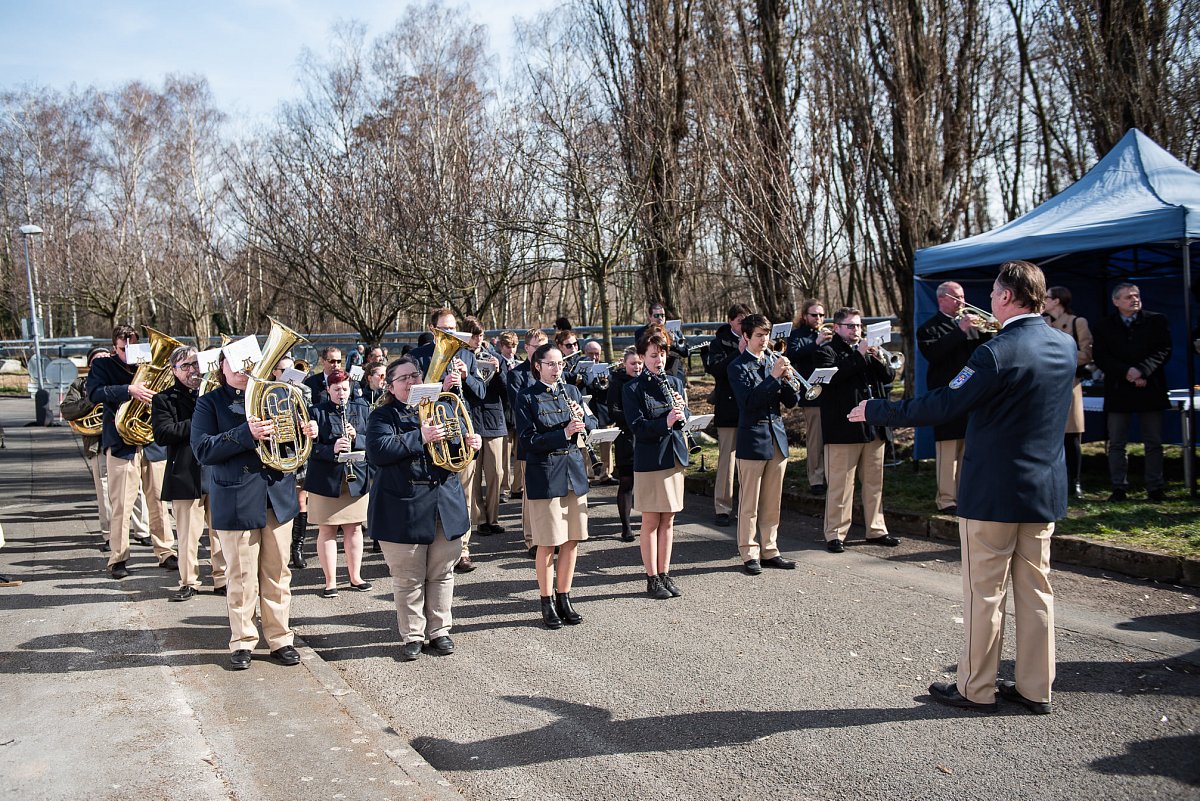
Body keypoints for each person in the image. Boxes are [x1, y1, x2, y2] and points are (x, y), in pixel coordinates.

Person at [849, 259, 1075, 714]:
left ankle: (976, 687)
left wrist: (878, 410)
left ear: (1008, 297)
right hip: (1042, 490)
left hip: (993, 491)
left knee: (984, 593)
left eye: (993, 293)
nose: (988, 300)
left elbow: (945, 402)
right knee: (1036, 592)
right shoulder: (1064, 346)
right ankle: (1036, 687)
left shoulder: (995, 352)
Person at [191, 347, 318, 670]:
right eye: (235, 364)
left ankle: (280, 639)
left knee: (278, 574)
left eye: (249, 364)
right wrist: (244, 434)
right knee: (242, 576)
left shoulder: (279, 396)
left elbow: (291, 446)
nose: (243, 370)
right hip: (236, 498)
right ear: (222, 366)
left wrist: (307, 432)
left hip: (276, 495)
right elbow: (203, 450)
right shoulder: (210, 402)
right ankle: (243, 640)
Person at [365, 357, 481, 661]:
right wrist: (420, 436)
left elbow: (456, 450)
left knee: (442, 573)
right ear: (391, 386)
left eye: (415, 375)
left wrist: (470, 442)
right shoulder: (382, 415)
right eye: (403, 378)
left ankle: (440, 631)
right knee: (408, 577)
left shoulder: (445, 406)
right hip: (404, 506)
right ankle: (413, 634)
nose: (411, 381)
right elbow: (378, 453)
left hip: (444, 502)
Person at [515, 342, 597, 628]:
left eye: (560, 364)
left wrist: (583, 419)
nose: (556, 369)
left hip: (573, 470)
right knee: (548, 542)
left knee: (572, 539)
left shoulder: (572, 391)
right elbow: (527, 441)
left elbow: (593, 420)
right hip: (546, 473)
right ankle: (546, 600)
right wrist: (562, 432)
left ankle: (565, 596)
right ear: (538, 365)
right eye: (551, 364)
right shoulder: (526, 396)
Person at [86, 324, 177, 579]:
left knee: (159, 501)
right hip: (122, 443)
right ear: (115, 346)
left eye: (134, 347)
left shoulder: (150, 365)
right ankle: (118, 558)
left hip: (153, 444)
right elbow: (94, 393)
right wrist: (128, 390)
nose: (129, 353)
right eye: (123, 348)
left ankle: (166, 551)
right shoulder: (104, 366)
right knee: (121, 504)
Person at [814, 308, 899, 553]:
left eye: (859, 326)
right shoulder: (826, 352)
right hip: (843, 429)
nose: (856, 331)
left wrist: (878, 358)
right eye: (850, 326)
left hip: (873, 427)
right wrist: (860, 356)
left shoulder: (868, 350)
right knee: (841, 485)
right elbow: (833, 380)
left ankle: (876, 529)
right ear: (837, 327)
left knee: (874, 483)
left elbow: (888, 376)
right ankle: (835, 534)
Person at [410, 308, 489, 571]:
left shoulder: (466, 353)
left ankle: (462, 550)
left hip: (462, 431)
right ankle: (428, 545)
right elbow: (411, 397)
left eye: (454, 328)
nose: (451, 333)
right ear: (433, 330)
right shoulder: (417, 357)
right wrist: (441, 387)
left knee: (464, 494)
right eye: (445, 329)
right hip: (433, 430)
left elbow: (481, 394)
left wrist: (467, 378)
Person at [152, 345, 226, 601]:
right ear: (174, 371)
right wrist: (199, 418)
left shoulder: (214, 395)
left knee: (220, 532)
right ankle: (189, 581)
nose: (192, 370)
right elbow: (163, 434)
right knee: (187, 535)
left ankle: (222, 579)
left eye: (195, 364)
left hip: (215, 471)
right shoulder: (164, 399)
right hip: (185, 473)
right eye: (185, 366)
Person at [728, 314, 798, 575]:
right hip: (752, 439)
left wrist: (788, 378)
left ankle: (770, 549)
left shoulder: (772, 361)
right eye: (758, 335)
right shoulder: (737, 367)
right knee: (750, 503)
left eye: (766, 335)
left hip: (777, 439)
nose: (764, 340)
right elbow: (749, 402)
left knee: (772, 501)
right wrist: (773, 377)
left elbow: (791, 401)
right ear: (745, 337)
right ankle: (749, 552)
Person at [1091, 283, 1173, 502]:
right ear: (1116, 301)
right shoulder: (1103, 326)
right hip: (1119, 389)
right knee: (1117, 442)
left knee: (1153, 441)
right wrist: (1127, 372)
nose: (1134, 299)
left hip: (1149, 387)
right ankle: (1119, 487)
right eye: (1128, 297)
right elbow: (1101, 356)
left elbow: (1163, 350)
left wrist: (1142, 371)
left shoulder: (1156, 320)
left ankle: (1155, 487)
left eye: (1136, 296)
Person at [917, 282, 991, 515]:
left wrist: (987, 330)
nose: (962, 301)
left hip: (972, 393)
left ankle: (965, 495)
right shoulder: (928, 328)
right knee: (948, 448)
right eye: (956, 297)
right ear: (942, 299)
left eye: (962, 296)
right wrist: (959, 330)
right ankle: (946, 499)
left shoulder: (971, 324)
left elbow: (984, 350)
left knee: (968, 447)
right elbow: (935, 354)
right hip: (946, 394)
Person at [624, 329, 689, 599]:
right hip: (651, 460)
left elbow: (684, 419)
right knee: (651, 520)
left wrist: (683, 413)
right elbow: (637, 427)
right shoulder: (633, 388)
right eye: (652, 355)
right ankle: (651, 578)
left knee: (669, 519)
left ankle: (665, 573)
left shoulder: (674, 382)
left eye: (662, 354)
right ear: (642, 356)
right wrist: (666, 422)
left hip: (673, 455)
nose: (658, 360)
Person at [305, 368, 372, 597]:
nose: (341, 394)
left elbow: (374, 441)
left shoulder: (362, 409)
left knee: (354, 528)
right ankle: (330, 581)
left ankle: (356, 576)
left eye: (344, 389)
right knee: (327, 529)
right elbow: (308, 450)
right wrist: (330, 448)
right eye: (336, 390)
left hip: (355, 476)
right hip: (326, 479)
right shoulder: (316, 412)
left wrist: (357, 438)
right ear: (328, 390)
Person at [1043, 286, 1093, 496]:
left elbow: (1086, 353)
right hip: (1045, 386)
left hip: (1069, 384)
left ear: (1056, 301)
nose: (1043, 301)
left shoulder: (1077, 322)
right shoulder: (1042, 323)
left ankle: (1074, 482)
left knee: (1071, 436)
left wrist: (1060, 357)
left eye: (1046, 297)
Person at [705, 303, 752, 525]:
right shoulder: (718, 343)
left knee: (751, 461)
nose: (744, 324)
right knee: (727, 461)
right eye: (740, 320)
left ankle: (748, 505)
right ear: (731, 321)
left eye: (747, 320)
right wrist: (738, 351)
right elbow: (715, 369)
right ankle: (722, 508)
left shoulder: (755, 339)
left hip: (751, 408)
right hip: (728, 407)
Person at [461, 317, 507, 543]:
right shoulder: (459, 357)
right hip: (470, 420)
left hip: (493, 421)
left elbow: (507, 392)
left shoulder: (494, 356)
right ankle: (479, 519)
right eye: (474, 335)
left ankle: (494, 517)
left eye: (481, 335)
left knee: (496, 473)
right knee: (474, 473)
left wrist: (498, 372)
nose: (478, 340)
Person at [507, 328, 549, 554]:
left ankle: (548, 535)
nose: (542, 351)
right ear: (527, 349)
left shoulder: (554, 372)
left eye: (545, 346)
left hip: (551, 442)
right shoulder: (517, 374)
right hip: (530, 440)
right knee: (530, 493)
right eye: (537, 348)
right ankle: (531, 538)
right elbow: (520, 408)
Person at [787, 299, 833, 495]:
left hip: (832, 391)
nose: (819, 318)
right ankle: (816, 478)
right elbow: (793, 355)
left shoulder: (828, 334)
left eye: (822, 315)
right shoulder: (798, 335)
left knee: (832, 437)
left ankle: (832, 475)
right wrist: (817, 342)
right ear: (804, 315)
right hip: (812, 393)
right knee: (816, 438)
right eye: (814, 315)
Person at [272, 356, 314, 567]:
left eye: (292, 370)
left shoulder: (303, 391)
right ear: (274, 373)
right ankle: (280, 547)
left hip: (297, 450)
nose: (289, 375)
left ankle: (297, 548)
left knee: (300, 501)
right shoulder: (268, 393)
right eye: (284, 370)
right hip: (278, 452)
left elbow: (310, 414)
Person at [608, 346, 644, 542]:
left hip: (646, 436)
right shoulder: (617, 382)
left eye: (640, 363)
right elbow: (612, 411)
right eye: (633, 363)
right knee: (627, 482)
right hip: (627, 436)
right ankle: (626, 526)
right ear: (624, 364)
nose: (637, 367)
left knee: (646, 482)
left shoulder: (647, 379)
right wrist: (634, 418)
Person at [581, 338, 617, 484]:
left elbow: (610, 388)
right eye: (591, 354)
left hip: (602, 410)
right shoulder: (580, 368)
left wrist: (607, 379)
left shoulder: (605, 368)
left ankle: (606, 474)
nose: (594, 357)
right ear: (584, 352)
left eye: (597, 354)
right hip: (586, 409)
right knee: (584, 444)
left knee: (606, 442)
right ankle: (587, 475)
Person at [634, 301, 691, 380]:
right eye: (656, 315)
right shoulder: (641, 332)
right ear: (650, 317)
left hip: (674, 371)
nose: (660, 318)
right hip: (651, 370)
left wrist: (674, 343)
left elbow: (686, 352)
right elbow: (640, 354)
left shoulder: (674, 330)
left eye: (662, 315)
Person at [495, 331, 520, 501]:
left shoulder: (521, 362)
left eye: (514, 346)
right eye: (508, 347)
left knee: (520, 454)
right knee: (504, 455)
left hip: (518, 414)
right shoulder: (498, 363)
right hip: (504, 413)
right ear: (501, 347)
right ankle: (503, 488)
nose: (511, 350)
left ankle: (518, 487)